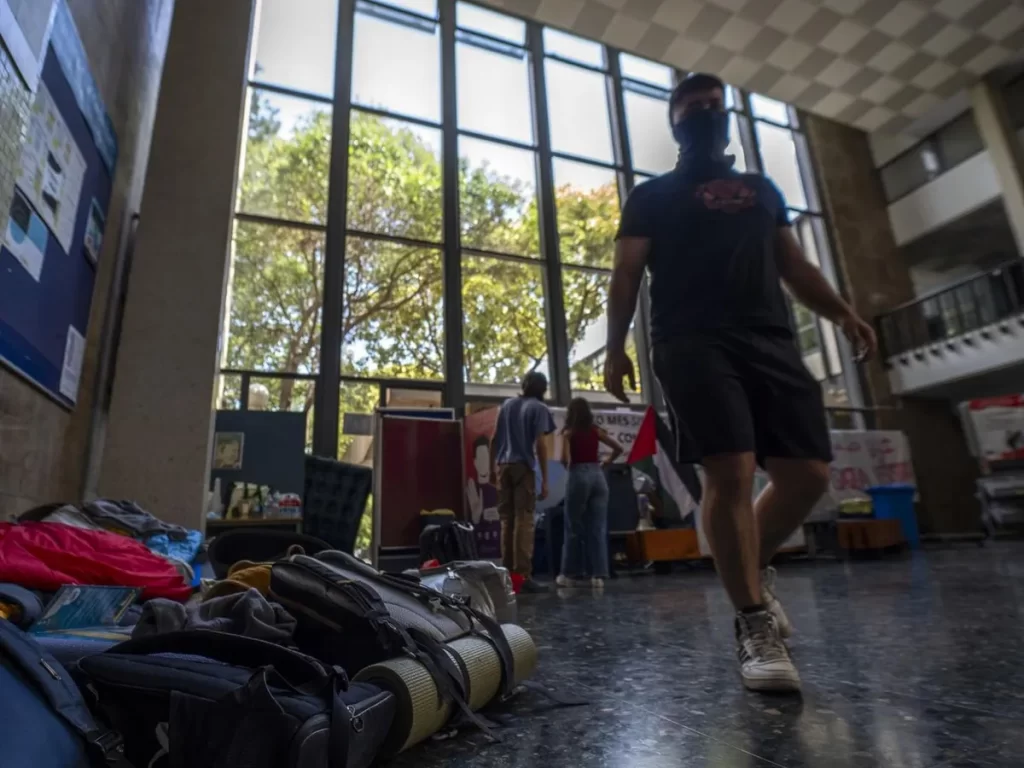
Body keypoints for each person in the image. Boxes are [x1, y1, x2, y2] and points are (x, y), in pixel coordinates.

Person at [603, 73, 877, 693]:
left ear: (725, 117)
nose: (704, 112)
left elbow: (795, 265)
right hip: (691, 340)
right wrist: (618, 346)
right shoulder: (653, 196)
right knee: (729, 470)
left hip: (770, 338)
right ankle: (753, 621)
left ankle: (749, 570)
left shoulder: (762, 191)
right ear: (674, 122)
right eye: (691, 106)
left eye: (712, 106)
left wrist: (843, 313)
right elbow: (626, 274)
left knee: (807, 475)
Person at [490, 371, 556, 594]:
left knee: (507, 521)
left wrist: (492, 468)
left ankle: (506, 575)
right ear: (543, 388)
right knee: (524, 520)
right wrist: (545, 479)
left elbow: (494, 438)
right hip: (523, 467)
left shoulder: (507, 405)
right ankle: (522, 576)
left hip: (503, 466)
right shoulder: (539, 409)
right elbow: (540, 444)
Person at [557, 398, 623, 590]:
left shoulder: (569, 433)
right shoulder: (596, 431)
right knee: (597, 528)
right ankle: (599, 575)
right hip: (598, 476)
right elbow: (618, 448)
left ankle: (569, 575)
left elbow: (563, 460)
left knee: (573, 527)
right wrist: (606, 462)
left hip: (579, 475)